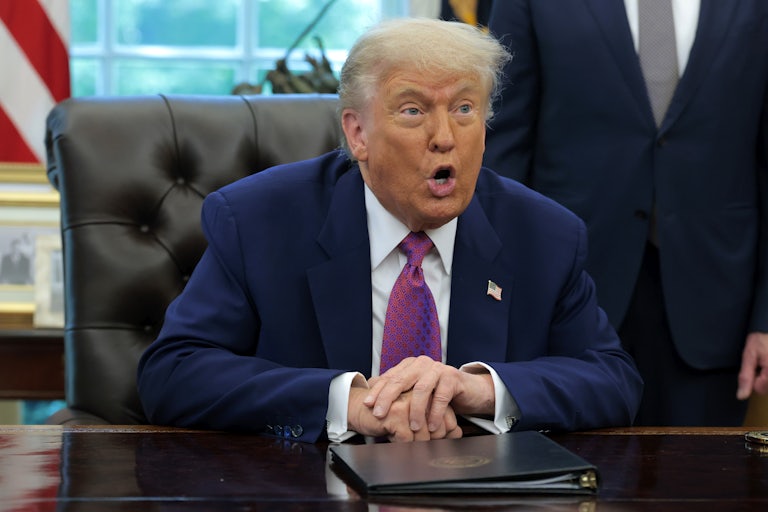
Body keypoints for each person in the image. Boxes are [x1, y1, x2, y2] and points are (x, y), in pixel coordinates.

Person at [137, 17, 642, 443]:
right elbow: (174, 373)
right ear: (358, 133)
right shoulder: (257, 221)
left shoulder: (545, 235)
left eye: (465, 109)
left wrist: (480, 389)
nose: (445, 138)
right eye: (413, 111)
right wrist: (349, 403)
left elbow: (613, 380)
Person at [484, 1, 768, 426]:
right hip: (566, 294)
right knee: (571, 487)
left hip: (717, 301)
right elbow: (504, 143)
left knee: (703, 485)